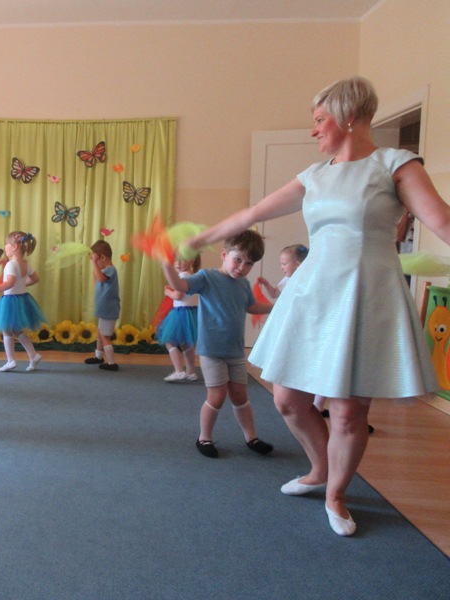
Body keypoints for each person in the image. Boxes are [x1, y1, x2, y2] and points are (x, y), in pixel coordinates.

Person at [184, 76, 450, 536]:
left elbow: (441, 219)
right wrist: (202, 237)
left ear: (349, 116)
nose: (313, 130)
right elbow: (253, 214)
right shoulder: (314, 175)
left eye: (320, 119)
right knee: (287, 399)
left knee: (347, 410)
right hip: (313, 294)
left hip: (365, 293)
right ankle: (320, 468)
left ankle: (336, 494)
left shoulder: (394, 164)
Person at [162, 230, 274, 460]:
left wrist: (276, 307)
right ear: (224, 254)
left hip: (235, 350)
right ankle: (204, 437)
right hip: (212, 350)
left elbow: (251, 307)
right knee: (217, 396)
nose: (242, 267)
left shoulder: (243, 284)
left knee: (240, 395)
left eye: (249, 263)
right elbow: (180, 285)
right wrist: (166, 265)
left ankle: (251, 437)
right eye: (238, 259)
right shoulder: (207, 277)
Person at [0, 231, 47, 372]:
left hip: (10, 301)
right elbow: (35, 278)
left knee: (6, 331)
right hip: (21, 299)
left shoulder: (11, 264)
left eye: (6, 244)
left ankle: (11, 360)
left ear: (14, 246)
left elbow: (10, 283)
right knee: (17, 330)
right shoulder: (25, 264)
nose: (4, 247)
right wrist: (22, 284)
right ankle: (33, 355)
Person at [157, 254, 200, 382]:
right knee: (187, 345)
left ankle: (179, 371)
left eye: (182, 260)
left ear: (192, 260)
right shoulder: (193, 275)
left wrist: (168, 292)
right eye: (175, 260)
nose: (178, 263)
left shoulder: (183, 276)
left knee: (169, 341)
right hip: (191, 312)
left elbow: (178, 296)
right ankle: (191, 372)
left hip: (181, 313)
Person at [83, 240, 121, 372]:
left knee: (105, 337)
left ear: (103, 257)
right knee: (101, 334)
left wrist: (94, 263)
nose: (95, 263)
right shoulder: (104, 271)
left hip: (109, 310)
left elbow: (101, 279)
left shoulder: (111, 270)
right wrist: (95, 264)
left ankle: (111, 363)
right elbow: (97, 282)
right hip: (105, 310)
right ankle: (98, 356)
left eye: (96, 260)